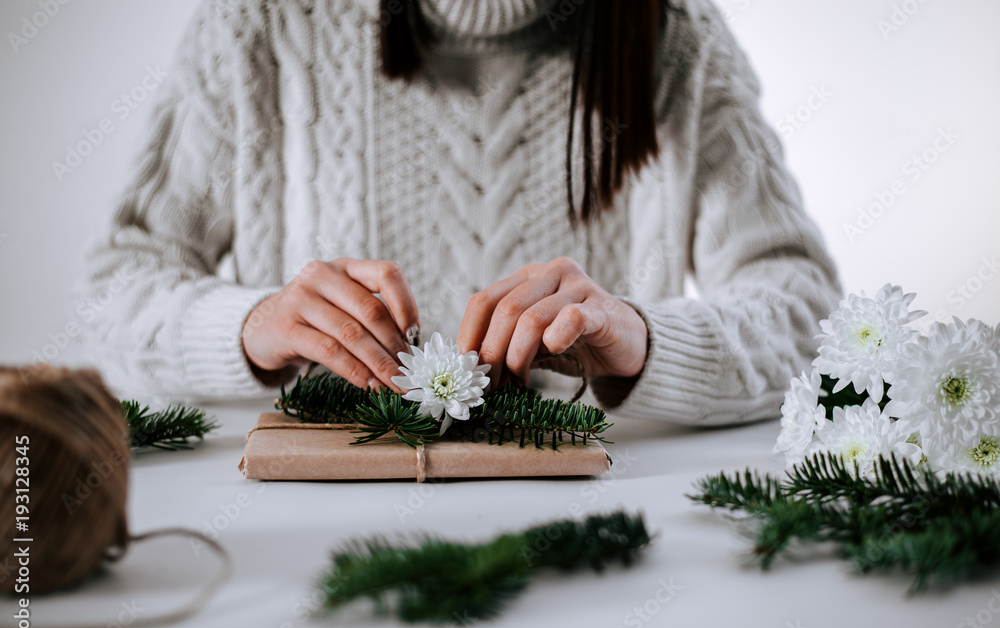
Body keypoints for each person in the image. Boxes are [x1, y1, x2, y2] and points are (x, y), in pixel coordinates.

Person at [77, 0, 841, 425]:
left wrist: (647, 340)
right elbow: (117, 289)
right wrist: (247, 329)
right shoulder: (263, 25)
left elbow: (805, 308)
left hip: (607, 537)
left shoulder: (674, 36)